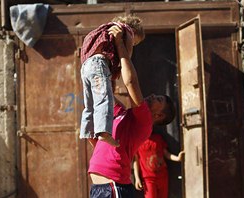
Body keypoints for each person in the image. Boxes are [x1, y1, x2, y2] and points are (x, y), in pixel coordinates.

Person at [88, 24, 176, 197]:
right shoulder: (121, 113)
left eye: (158, 99)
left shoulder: (144, 121)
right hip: (103, 188)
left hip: (113, 187)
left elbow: (130, 83)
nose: (152, 95)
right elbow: (103, 92)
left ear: (158, 115)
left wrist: (121, 45)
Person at [79, 15, 145, 147]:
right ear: (134, 31)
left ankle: (88, 132)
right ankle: (104, 133)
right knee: (104, 99)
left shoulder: (105, 28)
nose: (134, 44)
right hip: (99, 64)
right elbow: (126, 57)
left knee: (90, 104)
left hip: (86, 66)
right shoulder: (126, 31)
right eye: (135, 42)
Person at [133, 129, 184, 198]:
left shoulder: (158, 138)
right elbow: (136, 161)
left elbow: (166, 154)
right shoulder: (137, 142)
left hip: (163, 176)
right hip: (149, 179)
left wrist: (177, 158)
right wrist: (137, 178)